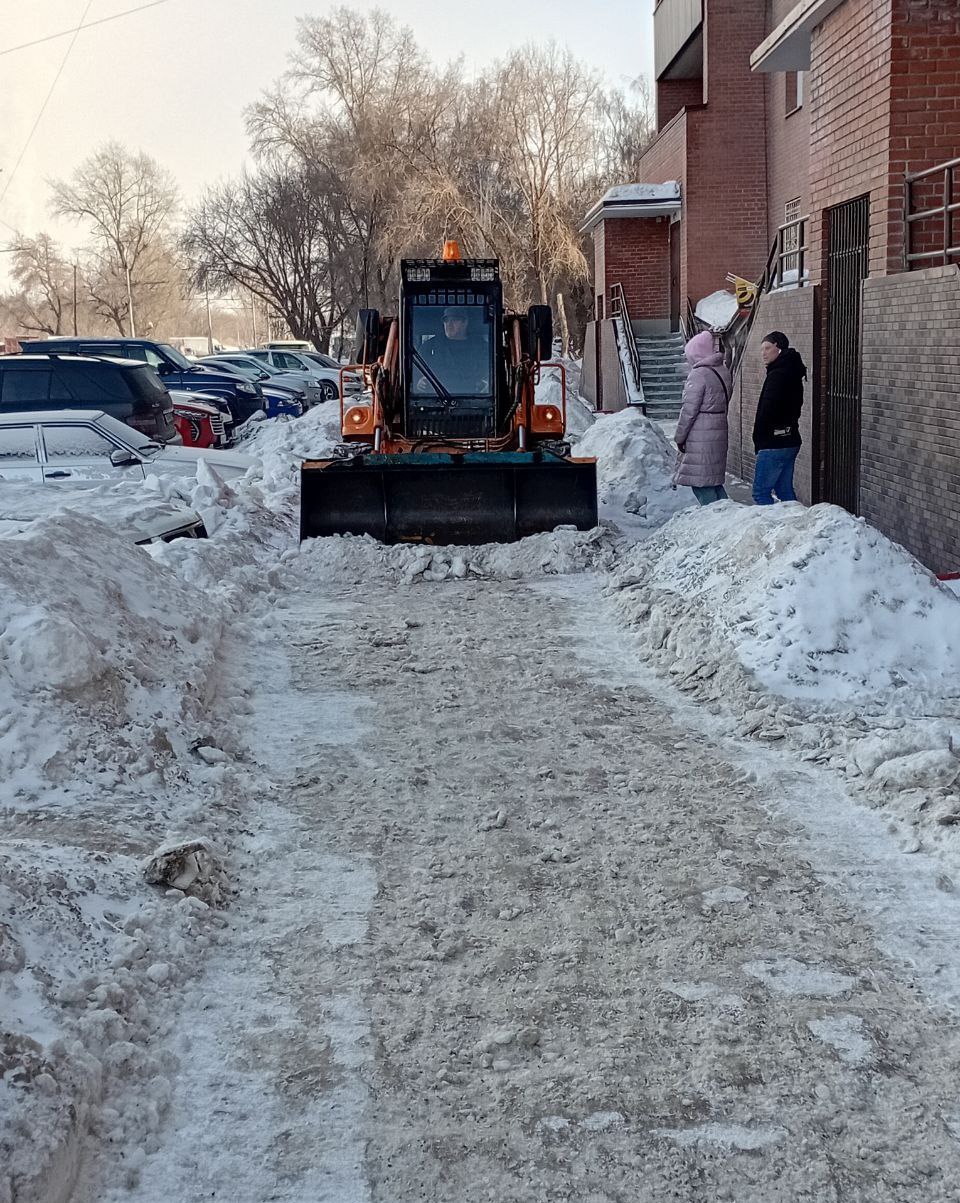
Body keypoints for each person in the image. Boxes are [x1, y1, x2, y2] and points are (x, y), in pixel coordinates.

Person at [674, 330, 732, 505]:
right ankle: (729, 517)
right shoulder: (722, 370)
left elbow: (689, 410)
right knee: (713, 482)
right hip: (719, 428)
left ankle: (717, 522)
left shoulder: (698, 374)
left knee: (701, 484)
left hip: (701, 434)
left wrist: (679, 437)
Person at [752, 331, 807, 505]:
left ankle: (771, 531)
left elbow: (767, 410)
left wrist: (759, 438)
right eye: (762, 349)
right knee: (785, 491)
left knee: (760, 493)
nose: (764, 353)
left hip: (773, 442)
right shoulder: (792, 370)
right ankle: (796, 526)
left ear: (779, 348)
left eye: (768, 348)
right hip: (790, 439)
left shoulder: (777, 375)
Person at [415, 306, 489, 395]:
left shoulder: (481, 346)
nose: (449, 324)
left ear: (465, 322)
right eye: (446, 321)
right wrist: (418, 383)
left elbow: (490, 371)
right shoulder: (430, 346)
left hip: (473, 399)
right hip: (435, 399)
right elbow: (414, 371)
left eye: (454, 320)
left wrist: (488, 383)